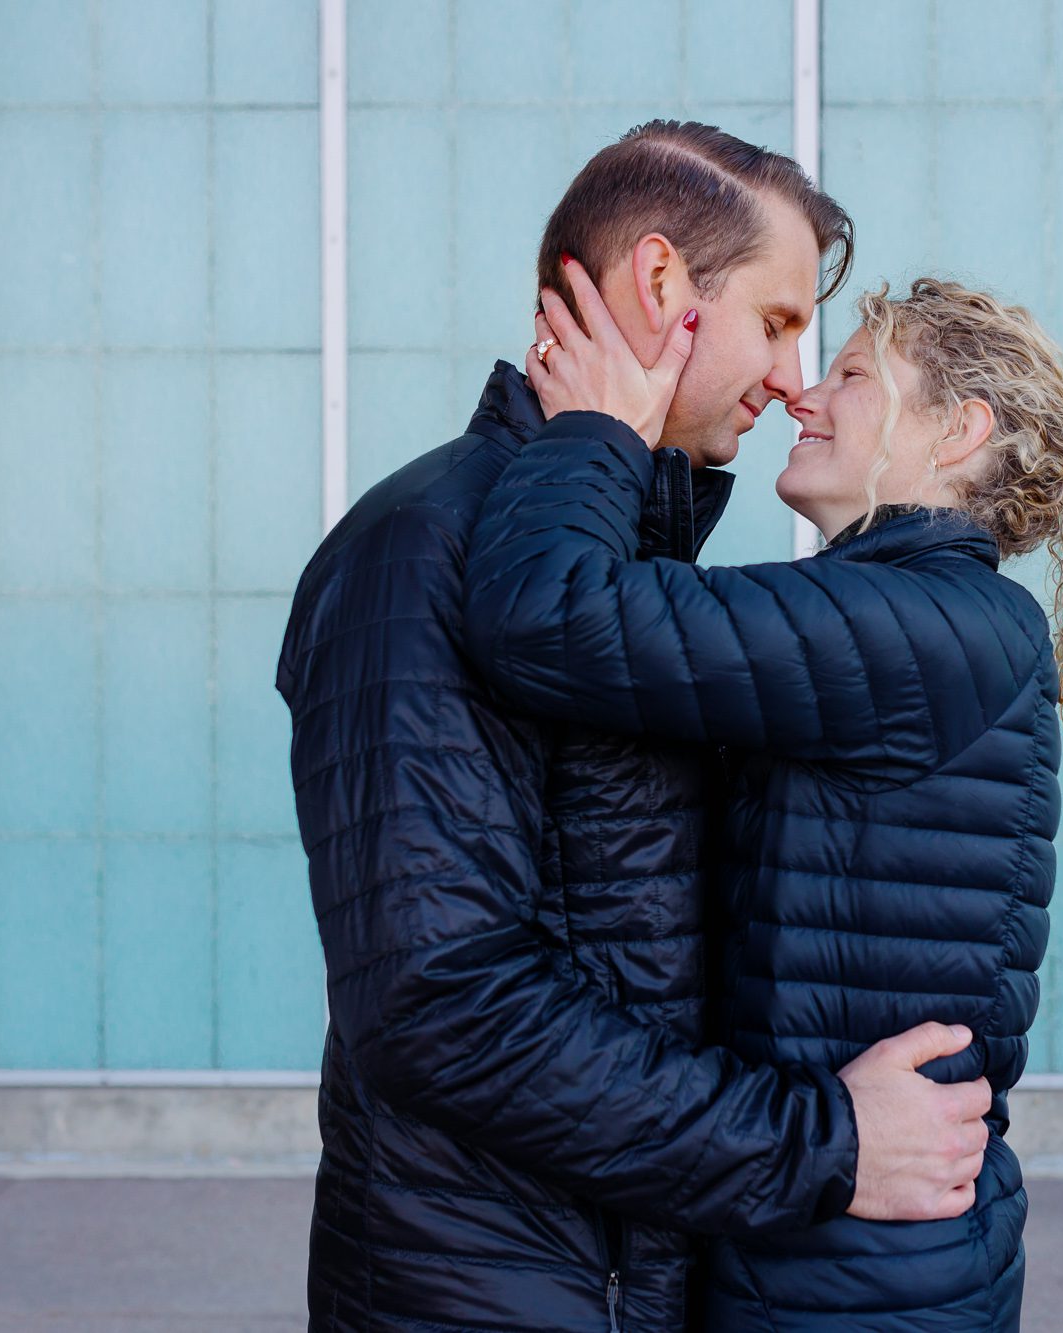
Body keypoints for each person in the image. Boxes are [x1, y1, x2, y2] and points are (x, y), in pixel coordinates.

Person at [275, 122, 992, 1333]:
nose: (787, 379)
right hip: (494, 1295)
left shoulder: (627, 577)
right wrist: (819, 1142)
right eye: (773, 323)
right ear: (661, 285)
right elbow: (441, 1003)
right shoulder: (424, 546)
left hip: (623, 1279)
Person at [461, 271, 1063, 1329]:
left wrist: (592, 435)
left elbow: (549, 617)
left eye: (849, 372)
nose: (802, 396)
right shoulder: (924, 619)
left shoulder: (916, 624)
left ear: (956, 431)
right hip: (853, 1242)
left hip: (852, 1267)